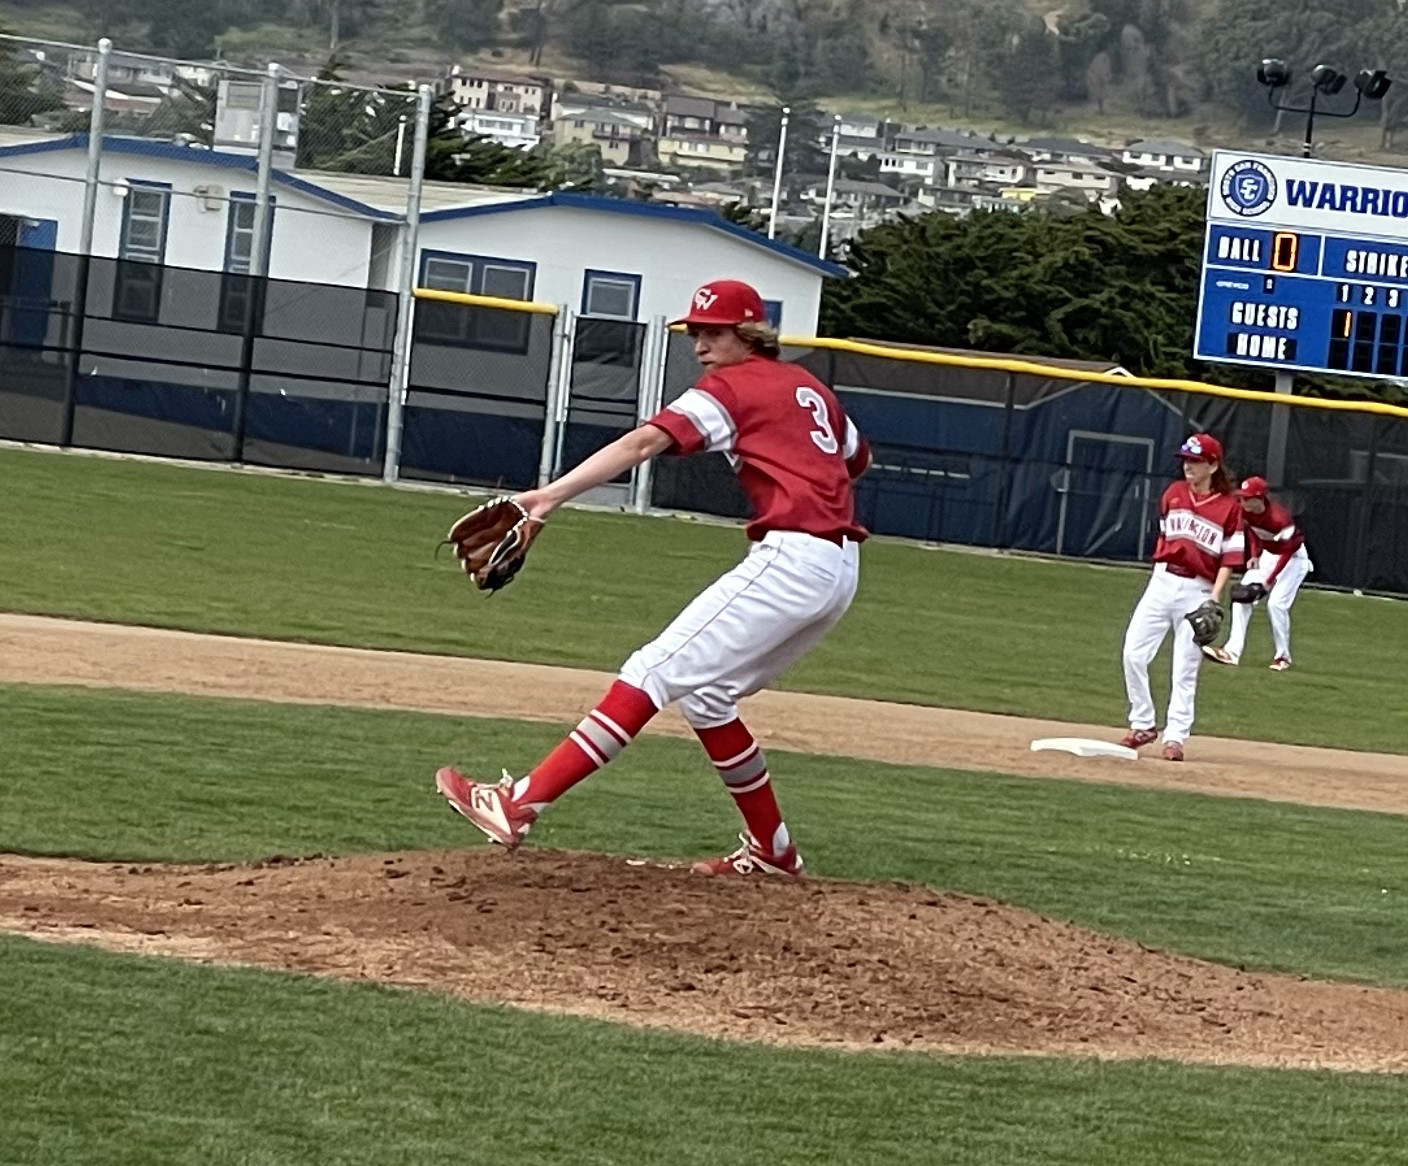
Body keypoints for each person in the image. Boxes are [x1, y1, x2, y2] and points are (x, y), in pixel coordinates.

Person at [435, 279, 871, 877]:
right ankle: (774, 852)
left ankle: (520, 804)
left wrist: (549, 498)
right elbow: (855, 458)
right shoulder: (811, 388)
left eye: (713, 332)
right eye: (694, 333)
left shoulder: (732, 387)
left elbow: (646, 441)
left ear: (750, 334)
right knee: (709, 698)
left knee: (650, 672)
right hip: (840, 567)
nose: (700, 345)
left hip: (794, 558)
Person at [1119, 433, 1245, 762]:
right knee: (1133, 652)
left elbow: (1230, 560)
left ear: (1213, 465)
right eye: (1186, 460)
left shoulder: (1229, 508)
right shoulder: (1173, 494)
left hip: (1197, 589)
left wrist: (1213, 599)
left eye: (1195, 461)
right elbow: (1165, 536)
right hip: (1161, 581)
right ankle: (1143, 723)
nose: (1188, 466)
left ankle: (1175, 738)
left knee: (1184, 669)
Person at [1202, 476, 1312, 671]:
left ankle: (1282, 657)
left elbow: (1287, 552)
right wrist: (1254, 555)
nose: (1243, 501)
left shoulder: (1280, 519)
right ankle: (1232, 652)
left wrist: (1268, 582)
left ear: (1260, 498)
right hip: (1269, 554)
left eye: (1247, 497)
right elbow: (1252, 531)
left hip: (1294, 559)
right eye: (1242, 497)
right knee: (1241, 597)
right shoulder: (1246, 512)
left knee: (1276, 605)